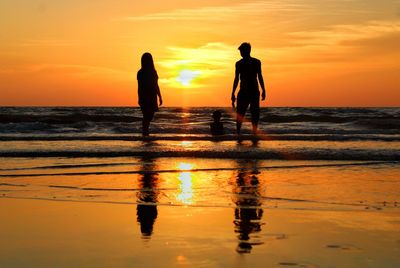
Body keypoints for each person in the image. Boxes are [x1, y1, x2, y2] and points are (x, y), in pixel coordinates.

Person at [231, 42, 266, 135]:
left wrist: (263, 90)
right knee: (240, 113)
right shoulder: (238, 63)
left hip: (254, 91)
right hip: (243, 91)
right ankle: (238, 133)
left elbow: (260, 76)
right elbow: (236, 78)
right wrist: (233, 92)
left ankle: (254, 132)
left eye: (242, 51)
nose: (241, 53)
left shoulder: (256, 62)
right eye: (240, 51)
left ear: (248, 51)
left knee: (255, 113)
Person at [137, 52, 162, 136]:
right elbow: (140, 87)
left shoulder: (152, 72)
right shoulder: (141, 73)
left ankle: (145, 133)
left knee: (149, 116)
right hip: (147, 97)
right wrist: (139, 98)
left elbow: (156, 85)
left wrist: (160, 96)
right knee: (147, 116)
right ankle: (145, 133)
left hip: (150, 96)